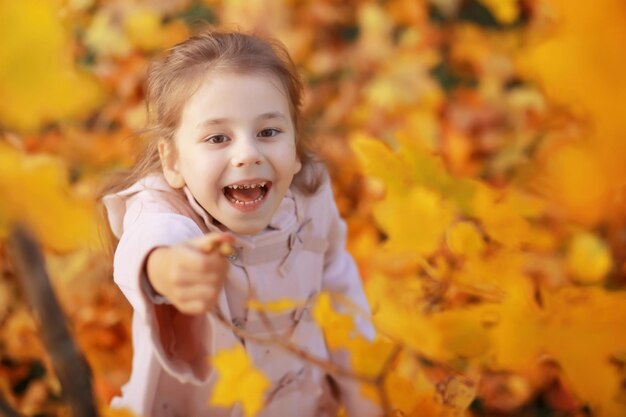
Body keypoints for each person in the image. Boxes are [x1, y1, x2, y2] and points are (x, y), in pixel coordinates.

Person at [101, 29, 380, 417]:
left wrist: (363, 394)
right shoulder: (162, 209)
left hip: (302, 403)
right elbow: (150, 243)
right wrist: (168, 268)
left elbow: (338, 284)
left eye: (268, 132)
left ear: (296, 148)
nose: (248, 154)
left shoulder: (309, 197)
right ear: (172, 162)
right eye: (217, 138)